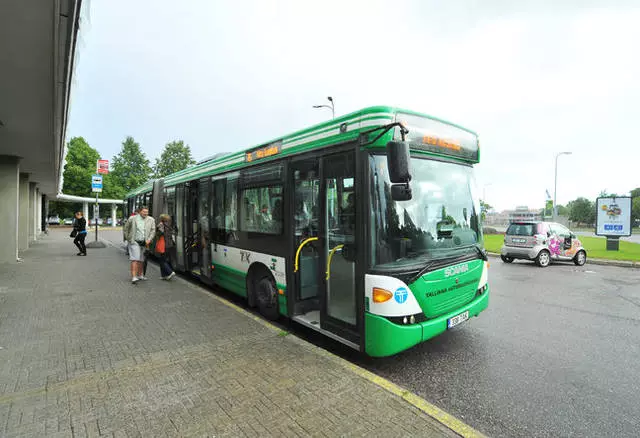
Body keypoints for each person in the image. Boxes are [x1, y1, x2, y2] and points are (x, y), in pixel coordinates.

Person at [123, 206, 156, 284]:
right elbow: (126, 228)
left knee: (141, 259)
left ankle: (140, 275)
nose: (146, 213)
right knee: (135, 259)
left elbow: (153, 231)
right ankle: (134, 277)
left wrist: (149, 240)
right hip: (134, 242)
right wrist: (129, 239)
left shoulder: (151, 220)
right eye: (144, 212)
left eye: (147, 212)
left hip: (145, 242)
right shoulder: (132, 218)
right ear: (140, 211)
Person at [156, 214, 176, 280]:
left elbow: (159, 233)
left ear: (162, 219)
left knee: (162, 260)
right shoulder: (170, 225)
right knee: (166, 259)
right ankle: (164, 275)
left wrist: (157, 230)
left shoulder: (161, 225)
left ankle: (170, 272)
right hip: (170, 244)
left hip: (164, 244)